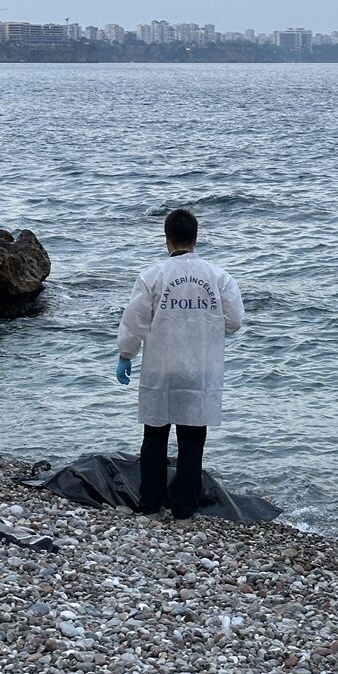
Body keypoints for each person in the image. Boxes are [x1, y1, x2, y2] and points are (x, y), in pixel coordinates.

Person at [115, 208, 244, 519]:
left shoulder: (152, 275)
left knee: (155, 435)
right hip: (200, 367)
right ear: (195, 239)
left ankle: (151, 505)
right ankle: (185, 509)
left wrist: (125, 354)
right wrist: (206, 325)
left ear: (167, 239)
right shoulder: (218, 276)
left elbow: (135, 321)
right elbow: (234, 321)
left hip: (161, 366)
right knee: (192, 439)